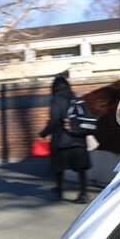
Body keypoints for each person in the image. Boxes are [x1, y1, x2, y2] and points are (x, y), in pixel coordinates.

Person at [39, 75, 91, 204]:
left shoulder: (56, 99)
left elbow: (55, 119)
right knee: (81, 169)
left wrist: (44, 133)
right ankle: (83, 194)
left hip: (62, 141)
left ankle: (59, 191)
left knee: (59, 168)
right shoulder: (76, 99)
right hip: (78, 140)